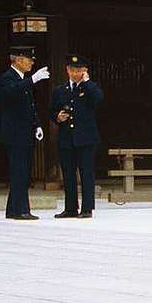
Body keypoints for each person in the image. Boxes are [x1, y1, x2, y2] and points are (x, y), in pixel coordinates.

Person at [0, 46, 50, 220]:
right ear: (18, 60)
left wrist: (37, 125)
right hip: (15, 133)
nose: (32, 62)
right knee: (19, 171)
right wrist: (33, 80)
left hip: (25, 131)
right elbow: (11, 93)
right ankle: (21, 210)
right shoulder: (8, 77)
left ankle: (13, 209)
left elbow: (30, 105)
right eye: (29, 59)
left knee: (22, 171)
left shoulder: (23, 79)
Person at [51, 54, 103, 219]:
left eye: (79, 70)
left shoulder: (89, 88)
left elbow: (98, 98)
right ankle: (71, 207)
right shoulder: (60, 90)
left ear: (85, 71)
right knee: (68, 174)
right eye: (72, 70)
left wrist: (86, 82)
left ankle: (87, 208)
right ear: (67, 70)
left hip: (86, 138)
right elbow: (52, 111)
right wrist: (58, 117)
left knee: (86, 173)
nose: (75, 74)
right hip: (67, 138)